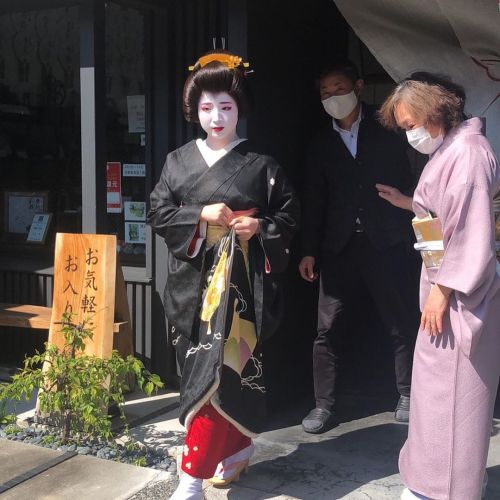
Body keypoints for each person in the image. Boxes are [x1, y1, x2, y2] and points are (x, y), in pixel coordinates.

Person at [147, 51, 299, 500]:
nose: (216, 117)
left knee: (219, 376)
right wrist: (198, 215)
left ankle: (191, 478)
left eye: (226, 107)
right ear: (193, 110)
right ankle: (237, 450)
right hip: (190, 287)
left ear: (240, 108)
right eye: (206, 107)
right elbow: (158, 211)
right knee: (200, 376)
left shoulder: (263, 164)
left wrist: (260, 227)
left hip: (240, 293)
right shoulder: (177, 161)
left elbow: (288, 217)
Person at [377, 72, 500, 500]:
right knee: (436, 396)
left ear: (435, 112)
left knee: (453, 398)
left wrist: (442, 290)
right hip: (444, 289)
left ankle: (445, 489)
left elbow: (470, 232)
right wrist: (408, 202)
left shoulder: (467, 154)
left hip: (458, 297)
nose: (409, 134)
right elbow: (446, 214)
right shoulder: (454, 150)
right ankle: (431, 482)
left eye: (410, 125)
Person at [299, 59, 419, 434]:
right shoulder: (319, 143)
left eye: (338, 88)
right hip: (339, 246)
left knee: (401, 321)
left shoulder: (391, 129)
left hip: (388, 239)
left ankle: (410, 393)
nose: (332, 97)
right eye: (325, 92)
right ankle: (324, 404)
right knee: (327, 328)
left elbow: (420, 177)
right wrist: (309, 249)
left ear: (359, 87)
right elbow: (314, 200)